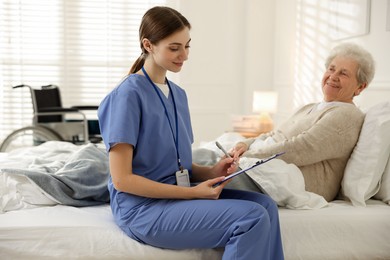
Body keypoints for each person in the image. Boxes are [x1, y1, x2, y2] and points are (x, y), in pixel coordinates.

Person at [97, 6, 284, 260]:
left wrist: (212, 171)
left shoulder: (178, 95)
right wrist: (194, 193)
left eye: (187, 46)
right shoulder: (127, 96)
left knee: (265, 206)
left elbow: (177, 161)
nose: (183, 55)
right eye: (174, 48)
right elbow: (122, 180)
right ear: (148, 45)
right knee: (251, 217)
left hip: (175, 197)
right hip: (142, 209)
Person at [229, 42, 375, 202]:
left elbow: (302, 148)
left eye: (343, 73)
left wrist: (248, 156)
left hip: (291, 180)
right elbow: (275, 134)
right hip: (266, 163)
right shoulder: (310, 107)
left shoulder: (347, 115)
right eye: (331, 69)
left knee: (207, 170)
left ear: (360, 87)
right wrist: (246, 144)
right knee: (203, 161)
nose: (333, 76)